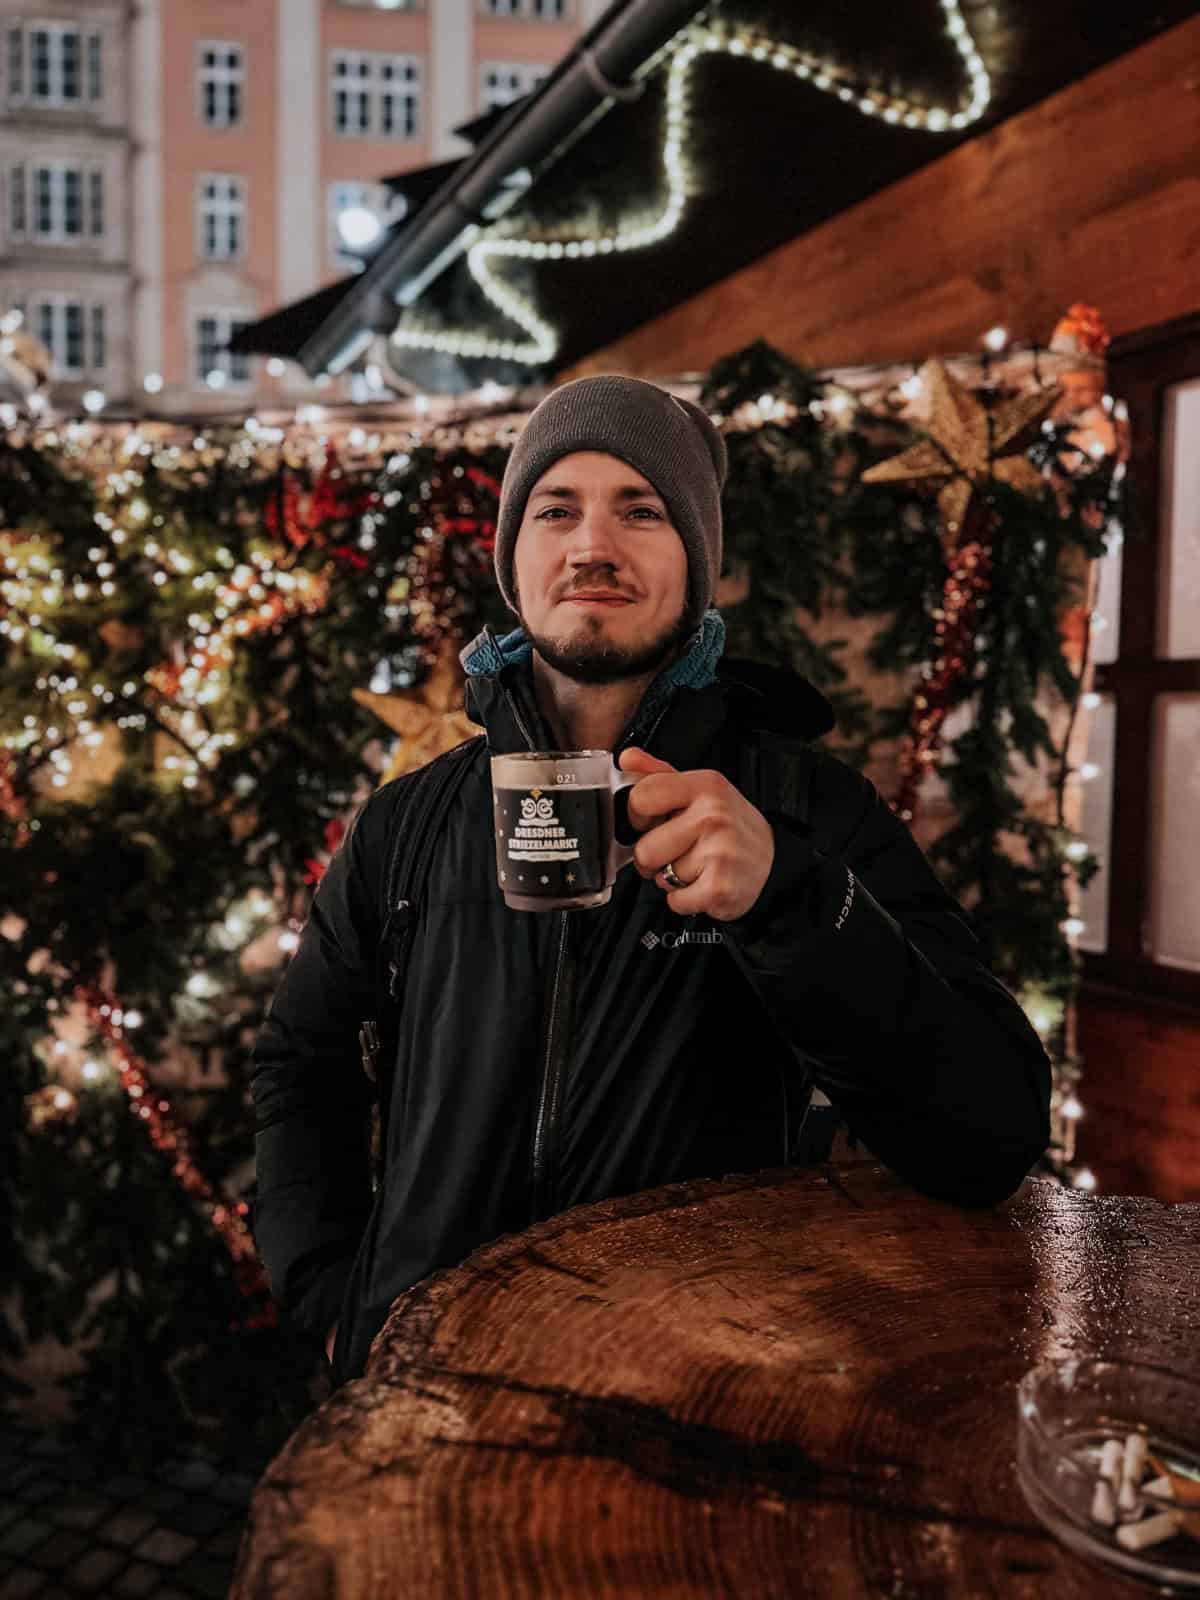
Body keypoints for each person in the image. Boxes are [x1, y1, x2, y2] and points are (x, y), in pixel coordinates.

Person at [250, 375, 1052, 1387]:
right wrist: (333, 1300)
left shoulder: (809, 810)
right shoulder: (412, 822)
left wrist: (793, 900)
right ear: (515, 559)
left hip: (693, 1415)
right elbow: (300, 1064)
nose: (594, 544)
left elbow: (989, 1135)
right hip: (423, 1403)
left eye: (643, 510)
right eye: (557, 509)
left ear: (697, 560)